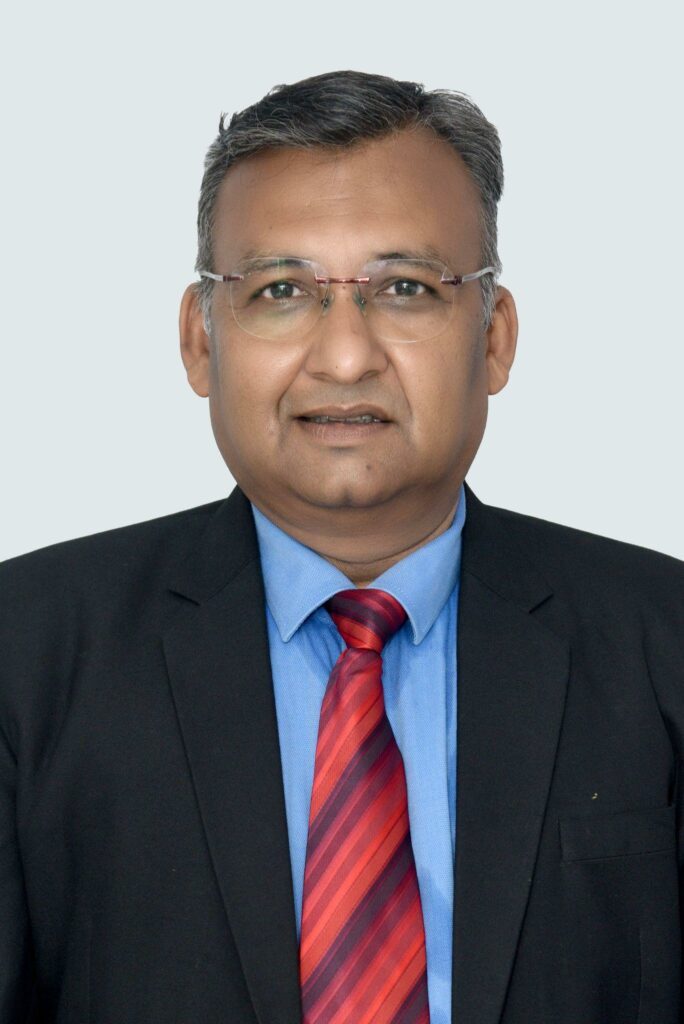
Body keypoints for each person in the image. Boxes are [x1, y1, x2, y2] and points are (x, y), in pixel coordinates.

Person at [1, 68, 683, 1024]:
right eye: (283, 290)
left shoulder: (662, 640)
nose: (346, 356)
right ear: (202, 340)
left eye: (406, 288)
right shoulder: (25, 654)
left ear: (495, 337)